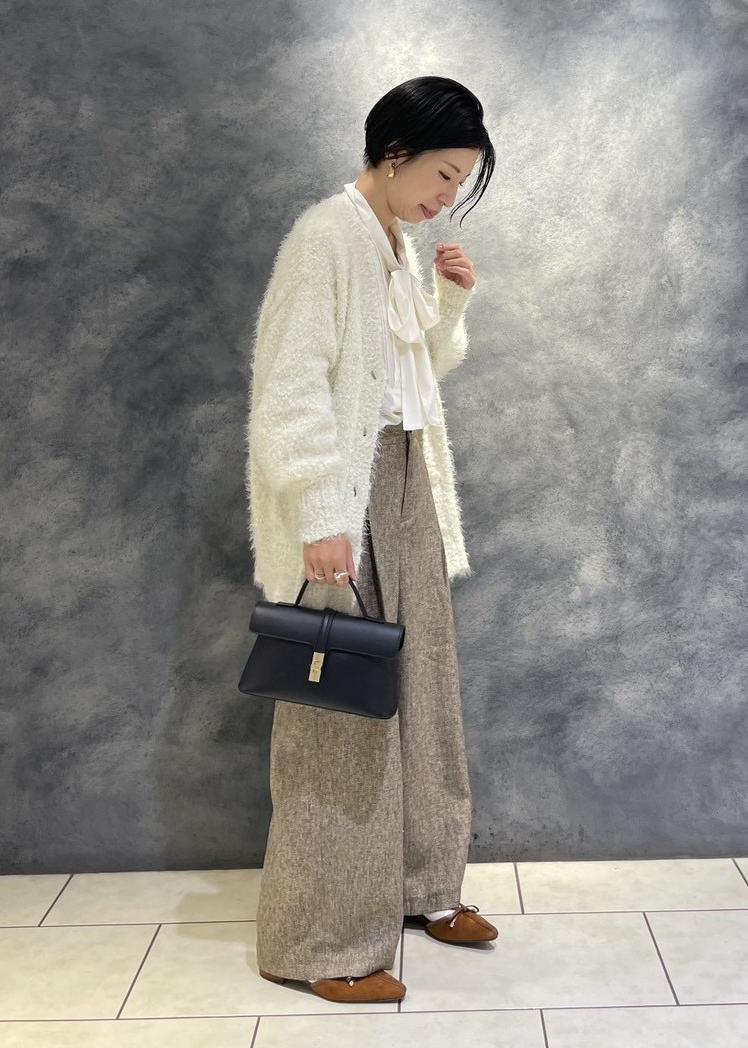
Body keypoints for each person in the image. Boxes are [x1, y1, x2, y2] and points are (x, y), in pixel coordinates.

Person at [246, 76, 498, 1004]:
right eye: (443, 174)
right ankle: (318, 940)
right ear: (394, 153)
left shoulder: (395, 244)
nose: (447, 196)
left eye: (460, 182)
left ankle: (423, 887)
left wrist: (450, 302)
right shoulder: (328, 237)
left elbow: (413, 376)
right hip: (345, 496)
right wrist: (320, 513)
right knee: (338, 725)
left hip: (406, 482)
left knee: (422, 688)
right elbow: (289, 385)